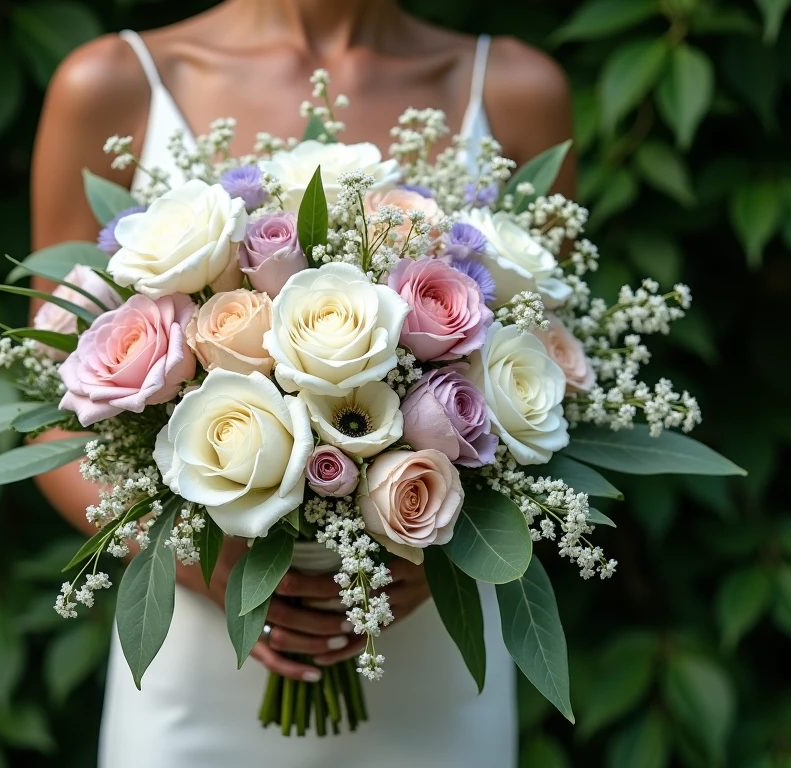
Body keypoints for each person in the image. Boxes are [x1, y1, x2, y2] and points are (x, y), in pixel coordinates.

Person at [29, 1, 574, 765]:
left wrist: (446, 552)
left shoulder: (517, 89)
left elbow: (552, 369)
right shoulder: (111, 83)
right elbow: (51, 417)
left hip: (427, 654)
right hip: (200, 662)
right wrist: (204, 561)